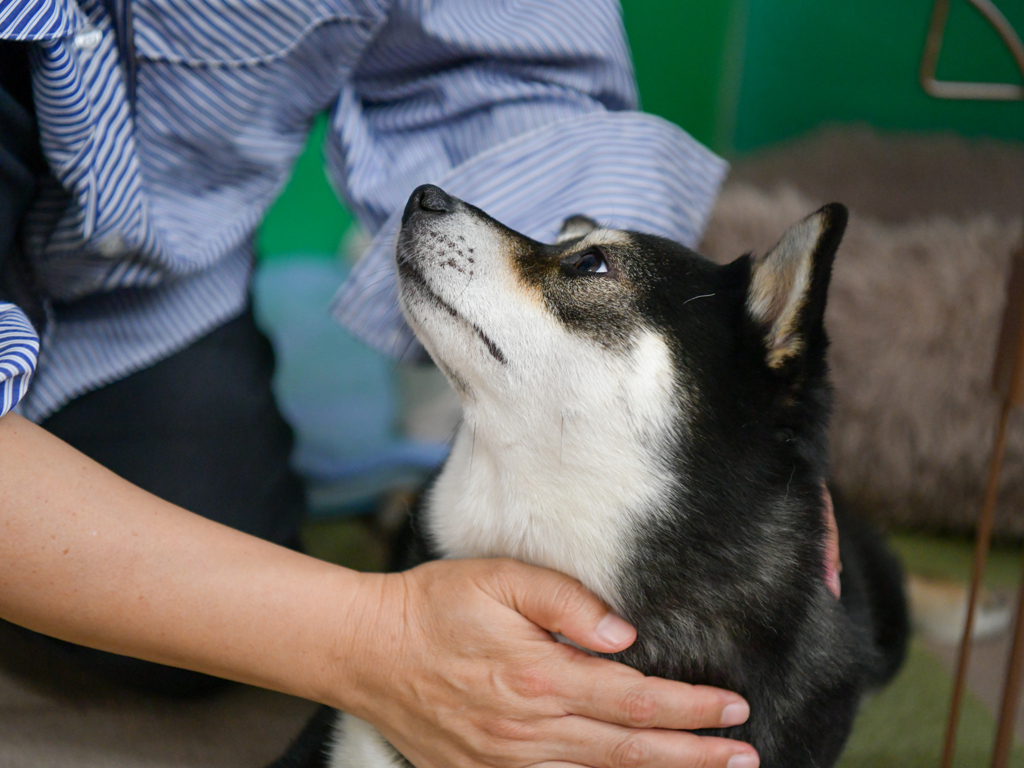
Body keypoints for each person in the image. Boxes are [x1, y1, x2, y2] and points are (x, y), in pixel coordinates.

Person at [0, 1, 838, 766]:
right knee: (164, 611)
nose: (435, 208)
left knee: (183, 593)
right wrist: (375, 636)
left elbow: (496, 62)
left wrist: (744, 436)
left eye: (581, 263)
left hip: (131, 288)